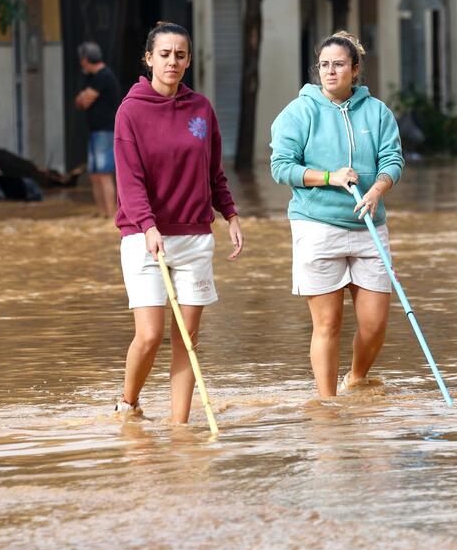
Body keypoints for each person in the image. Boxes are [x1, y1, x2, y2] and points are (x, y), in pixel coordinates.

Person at [113, 21, 243, 422]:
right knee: (150, 335)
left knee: (187, 340)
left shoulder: (201, 109)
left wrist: (231, 214)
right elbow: (129, 180)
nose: (173, 61)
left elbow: (213, 171)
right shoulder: (130, 111)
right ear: (149, 58)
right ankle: (128, 404)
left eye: (180, 55)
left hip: (194, 238)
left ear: (188, 60)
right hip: (144, 238)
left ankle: (180, 429)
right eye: (165, 54)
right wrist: (149, 226)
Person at [270, 31, 404, 399]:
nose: (330, 71)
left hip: (368, 226)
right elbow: (282, 168)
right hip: (316, 225)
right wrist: (329, 177)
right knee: (328, 323)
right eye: (324, 65)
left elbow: (393, 159)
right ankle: (328, 405)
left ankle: (357, 378)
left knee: (375, 324)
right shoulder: (299, 112)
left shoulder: (377, 112)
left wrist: (377, 190)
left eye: (339, 65)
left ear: (355, 70)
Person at [75, 42, 120, 218]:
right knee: (94, 175)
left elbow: (84, 101)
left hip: (105, 131)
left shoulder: (104, 76)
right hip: (96, 131)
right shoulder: (92, 78)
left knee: (104, 174)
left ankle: (111, 215)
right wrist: (82, 98)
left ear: (85, 60)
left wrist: (82, 98)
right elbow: (80, 101)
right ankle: (102, 213)